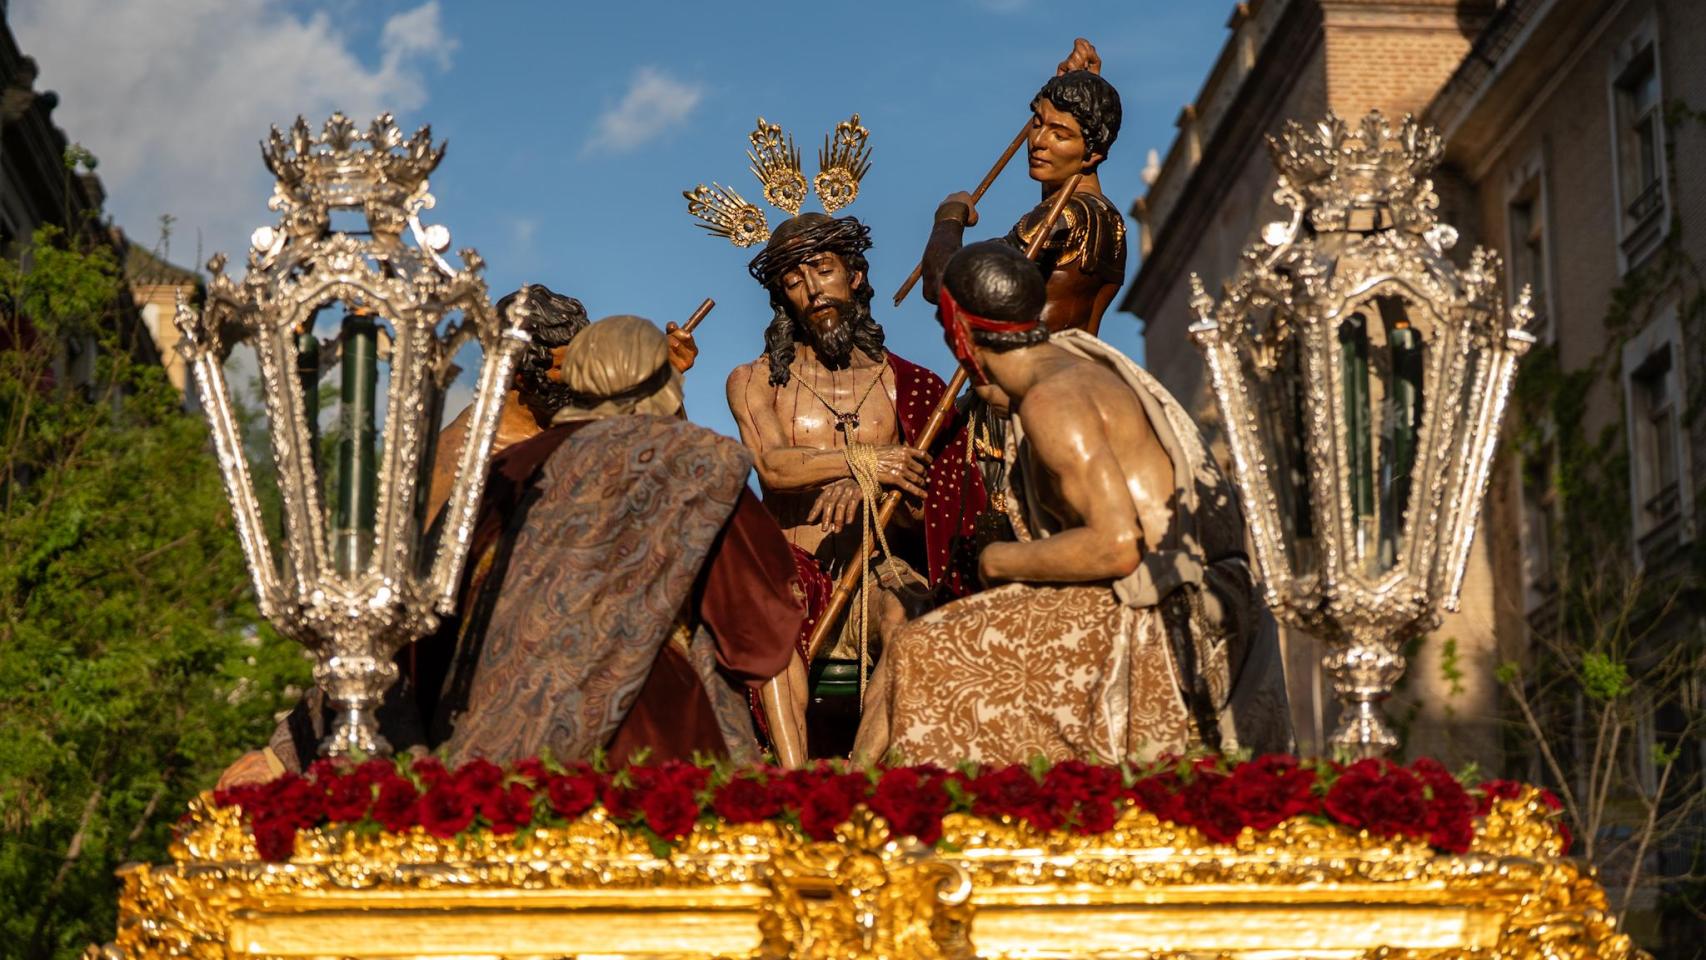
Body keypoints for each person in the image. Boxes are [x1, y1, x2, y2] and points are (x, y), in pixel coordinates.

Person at [220, 316, 802, 786]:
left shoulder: (505, 469)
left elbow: (424, 621)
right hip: (657, 750)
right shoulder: (702, 464)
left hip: (500, 762)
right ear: (666, 384)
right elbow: (756, 639)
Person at [855, 242, 1291, 766]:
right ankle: (857, 790)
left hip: (1163, 615)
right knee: (924, 640)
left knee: (923, 650)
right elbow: (997, 388)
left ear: (961, 334)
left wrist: (999, 561)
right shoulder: (1064, 360)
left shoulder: (1052, 403)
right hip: (1183, 591)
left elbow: (1116, 546)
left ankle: (915, 814)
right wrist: (949, 220)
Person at [725, 212, 984, 752]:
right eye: (794, 281)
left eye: (822, 269)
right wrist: (868, 460)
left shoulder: (907, 385)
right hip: (789, 569)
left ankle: (867, 777)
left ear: (855, 276)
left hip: (873, 570)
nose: (812, 290)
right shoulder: (753, 381)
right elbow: (773, 466)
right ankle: (792, 783)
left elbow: (935, 504)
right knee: (771, 630)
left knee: (911, 619)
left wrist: (875, 488)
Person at [424, 284, 699, 521]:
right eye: (565, 369)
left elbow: (671, 476)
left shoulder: (583, 414)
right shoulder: (464, 451)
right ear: (519, 376)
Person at [920, 40, 1127, 337]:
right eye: (1038, 123)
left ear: (1093, 154)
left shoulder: (1061, 218)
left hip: (1027, 375)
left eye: (1060, 134)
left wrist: (949, 217)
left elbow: (946, 285)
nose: (1039, 141)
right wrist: (1074, 83)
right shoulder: (1105, 216)